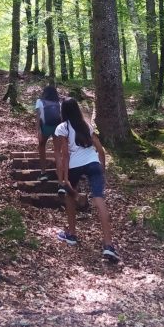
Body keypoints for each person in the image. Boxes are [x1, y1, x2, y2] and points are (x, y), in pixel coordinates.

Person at [53, 97, 120, 263]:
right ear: (77, 109)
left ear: (63, 110)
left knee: (69, 196)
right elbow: (100, 149)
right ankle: (108, 245)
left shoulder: (62, 127)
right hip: (93, 163)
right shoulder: (86, 126)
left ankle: (72, 234)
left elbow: (65, 154)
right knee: (99, 200)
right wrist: (102, 170)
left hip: (74, 166)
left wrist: (65, 178)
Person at [34, 85, 61, 182]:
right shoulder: (58, 103)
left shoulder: (40, 101)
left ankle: (43, 173)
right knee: (57, 151)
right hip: (57, 127)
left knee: (42, 147)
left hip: (45, 127)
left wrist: (38, 130)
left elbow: (38, 117)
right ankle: (60, 175)